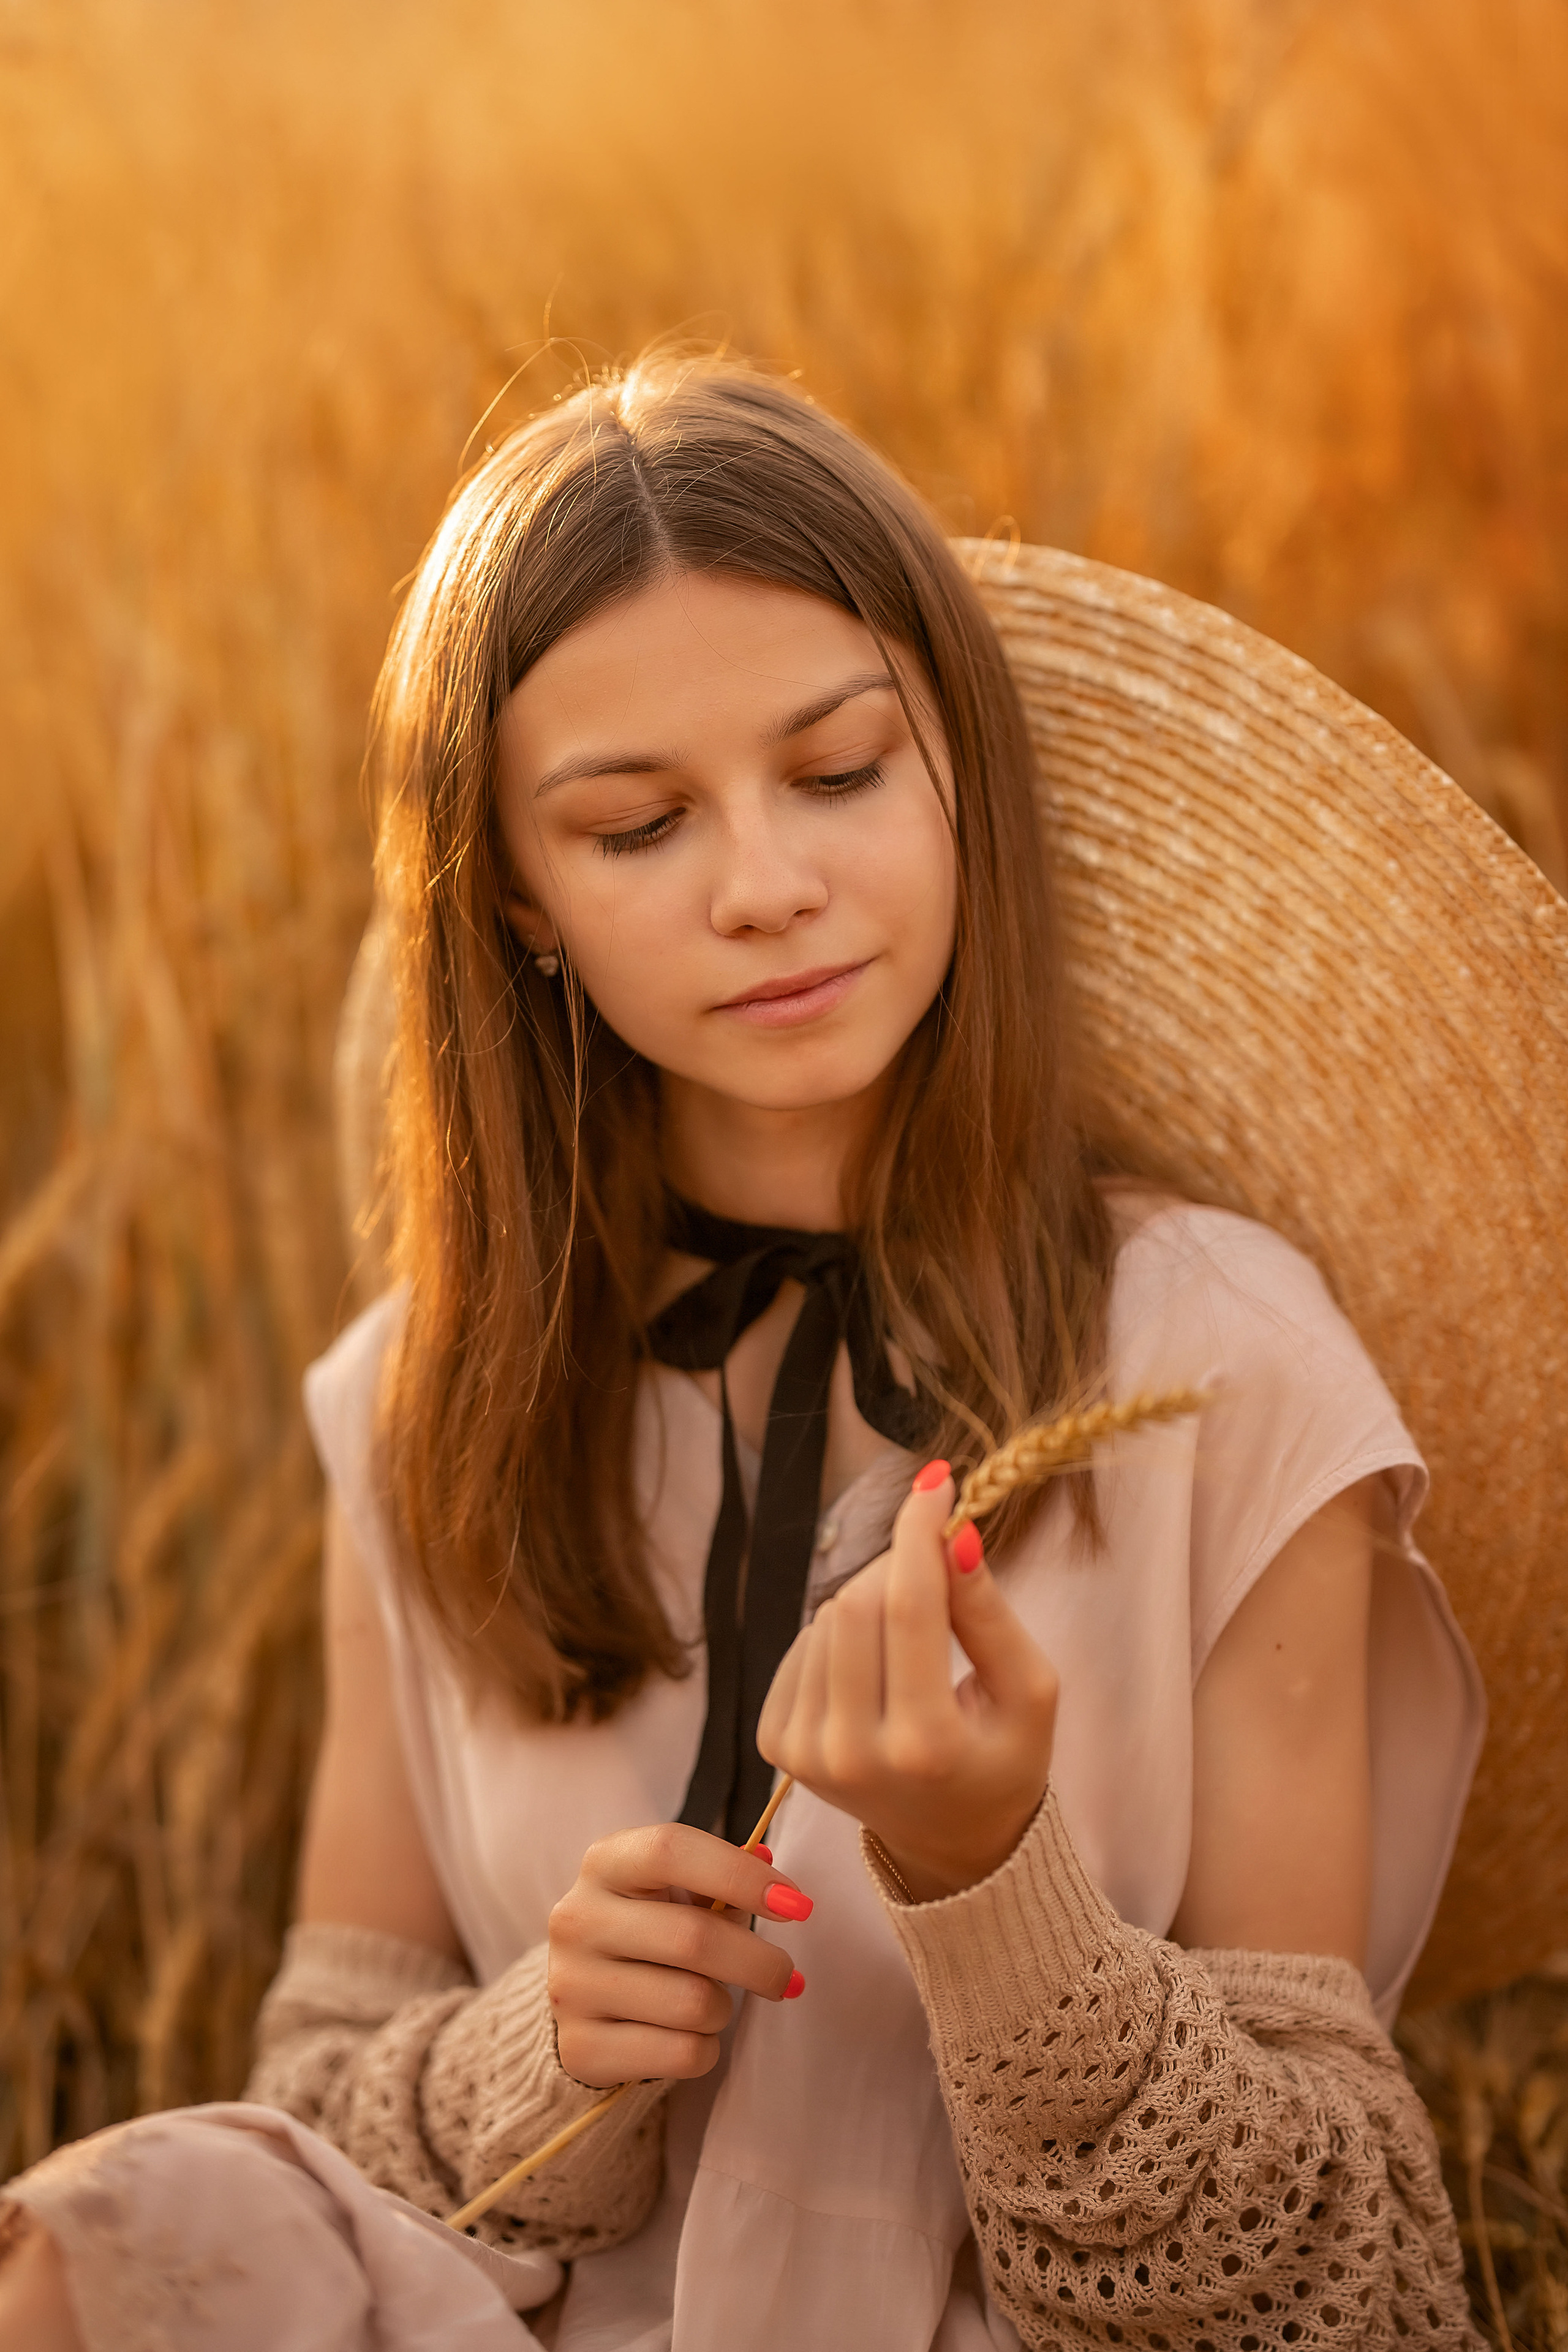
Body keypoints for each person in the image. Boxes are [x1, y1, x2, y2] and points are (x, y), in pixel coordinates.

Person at [0, 354, 1490, 2351]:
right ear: (521, 895)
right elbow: (317, 2104)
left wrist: (993, 1884)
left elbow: (1357, 2274)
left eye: (840, 771)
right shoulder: (424, 1397)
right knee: (106, 2226)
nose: (764, 883)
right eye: (636, 826)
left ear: (960, 762)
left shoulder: (1230, 1371)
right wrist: (544, 2053)